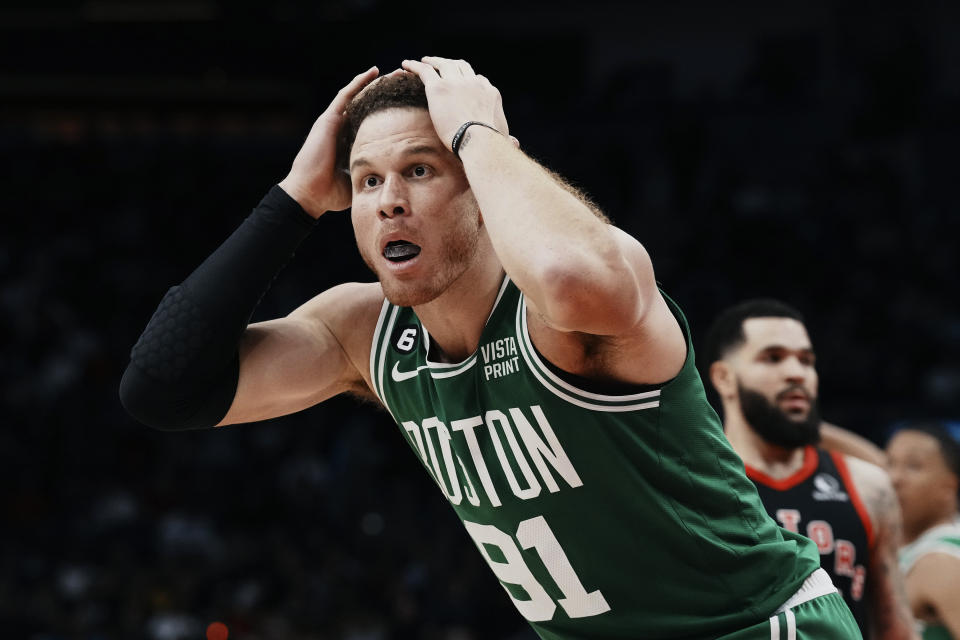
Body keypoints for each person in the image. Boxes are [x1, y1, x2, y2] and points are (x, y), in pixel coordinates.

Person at [120, 57, 860, 639]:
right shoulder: (363, 332)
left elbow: (568, 276)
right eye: (367, 180)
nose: (388, 201)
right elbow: (161, 390)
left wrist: (483, 136)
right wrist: (294, 199)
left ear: (484, 185)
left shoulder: (567, 311)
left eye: (419, 170)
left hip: (759, 628)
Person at [704, 299, 917, 640]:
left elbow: (896, 628)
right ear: (724, 378)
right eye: (773, 358)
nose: (796, 372)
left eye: (806, 360)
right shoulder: (696, 484)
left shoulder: (867, 485)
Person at [887, 423, 960, 639]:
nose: (895, 478)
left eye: (913, 466)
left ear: (949, 488)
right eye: (890, 463)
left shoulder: (939, 561)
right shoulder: (908, 548)